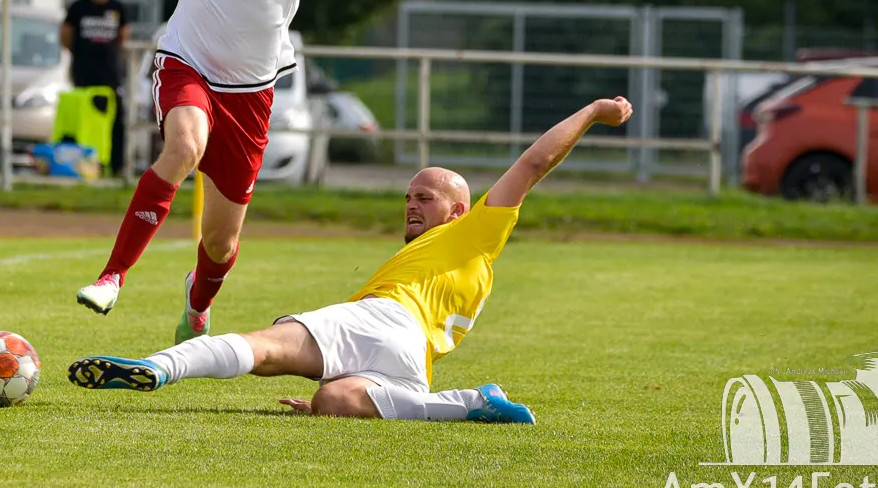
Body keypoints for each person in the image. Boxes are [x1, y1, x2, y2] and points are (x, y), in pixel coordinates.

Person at [57, 0, 392, 343]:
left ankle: (198, 302)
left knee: (220, 243)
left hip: (250, 92)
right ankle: (112, 275)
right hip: (186, 62)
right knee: (183, 147)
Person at [68, 95, 635, 422]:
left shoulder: (475, 232)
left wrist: (592, 112)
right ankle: (469, 404)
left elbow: (533, 163)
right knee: (332, 401)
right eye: (408, 196)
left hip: (384, 320)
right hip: (411, 364)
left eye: (425, 197)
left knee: (267, 347)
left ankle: (156, 368)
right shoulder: (457, 260)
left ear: (459, 211)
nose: (411, 204)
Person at [61, 0, 131, 176]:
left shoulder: (117, 8)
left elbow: (123, 36)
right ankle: (83, 163)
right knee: (85, 119)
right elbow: (65, 35)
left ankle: (117, 166)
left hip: (110, 74)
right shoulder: (78, 7)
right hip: (84, 73)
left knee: (116, 119)